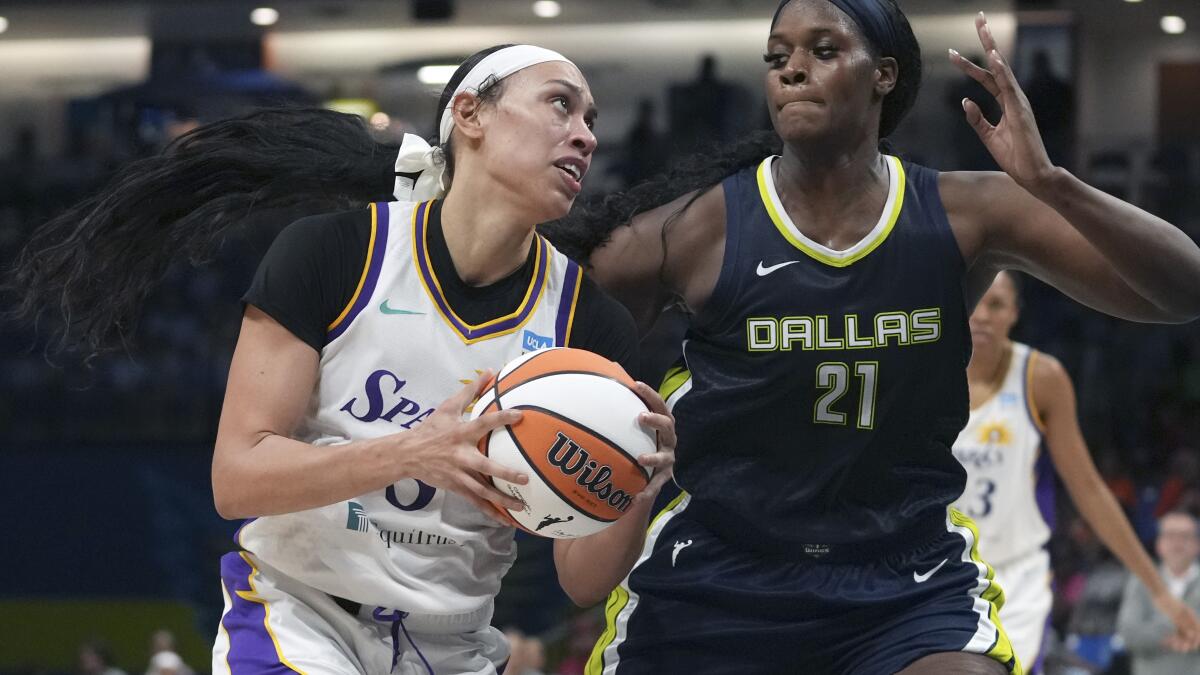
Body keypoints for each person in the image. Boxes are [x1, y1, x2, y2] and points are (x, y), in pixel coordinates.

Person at [551, 1, 1200, 673]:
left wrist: (1052, 185)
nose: (792, 71)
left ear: (884, 75)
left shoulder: (963, 214)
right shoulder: (697, 228)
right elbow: (547, 321)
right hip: (717, 578)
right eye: (778, 58)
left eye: (823, 51)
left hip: (901, 581)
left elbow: (1181, 292)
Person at [8, 45, 676, 674]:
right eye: (561, 104)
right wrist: (411, 453)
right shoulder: (336, 253)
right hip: (301, 617)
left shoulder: (588, 323)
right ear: (469, 114)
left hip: (455, 643)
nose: (586, 134)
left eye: (591, 118)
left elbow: (582, 580)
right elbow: (236, 477)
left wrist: (636, 482)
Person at [951, 271, 1200, 673]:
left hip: (1015, 575)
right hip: (939, 565)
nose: (982, 315)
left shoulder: (1040, 378)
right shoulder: (926, 372)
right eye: (975, 302)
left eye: (996, 304)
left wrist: (1159, 591)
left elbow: (1089, 490)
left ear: (1014, 313)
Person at [1117, 511, 1200, 675]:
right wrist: (1187, 627)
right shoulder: (1141, 581)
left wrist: (1158, 630)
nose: (1177, 543)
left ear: (1197, 544)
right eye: (1170, 536)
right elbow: (1129, 633)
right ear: (1159, 544)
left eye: (1185, 536)